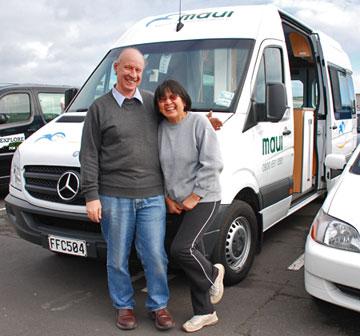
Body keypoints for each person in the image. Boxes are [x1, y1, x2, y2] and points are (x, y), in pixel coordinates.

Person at [80, 48, 174, 331]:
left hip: (152, 195)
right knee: (118, 257)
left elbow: (177, 122)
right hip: (114, 196)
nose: (133, 75)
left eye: (138, 70)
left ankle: (159, 305)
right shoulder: (99, 108)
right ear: (117, 68)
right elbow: (89, 155)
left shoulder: (151, 103)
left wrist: (204, 121)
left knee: (155, 255)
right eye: (128, 68)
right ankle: (124, 306)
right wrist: (91, 196)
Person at [154, 79, 225, 333]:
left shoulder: (198, 123)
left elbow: (213, 163)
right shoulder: (161, 128)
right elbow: (159, 169)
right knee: (196, 253)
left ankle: (214, 276)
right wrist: (168, 198)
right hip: (177, 203)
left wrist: (194, 197)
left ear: (184, 99)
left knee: (182, 250)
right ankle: (205, 312)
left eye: (173, 97)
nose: (168, 102)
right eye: (163, 99)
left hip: (204, 199)